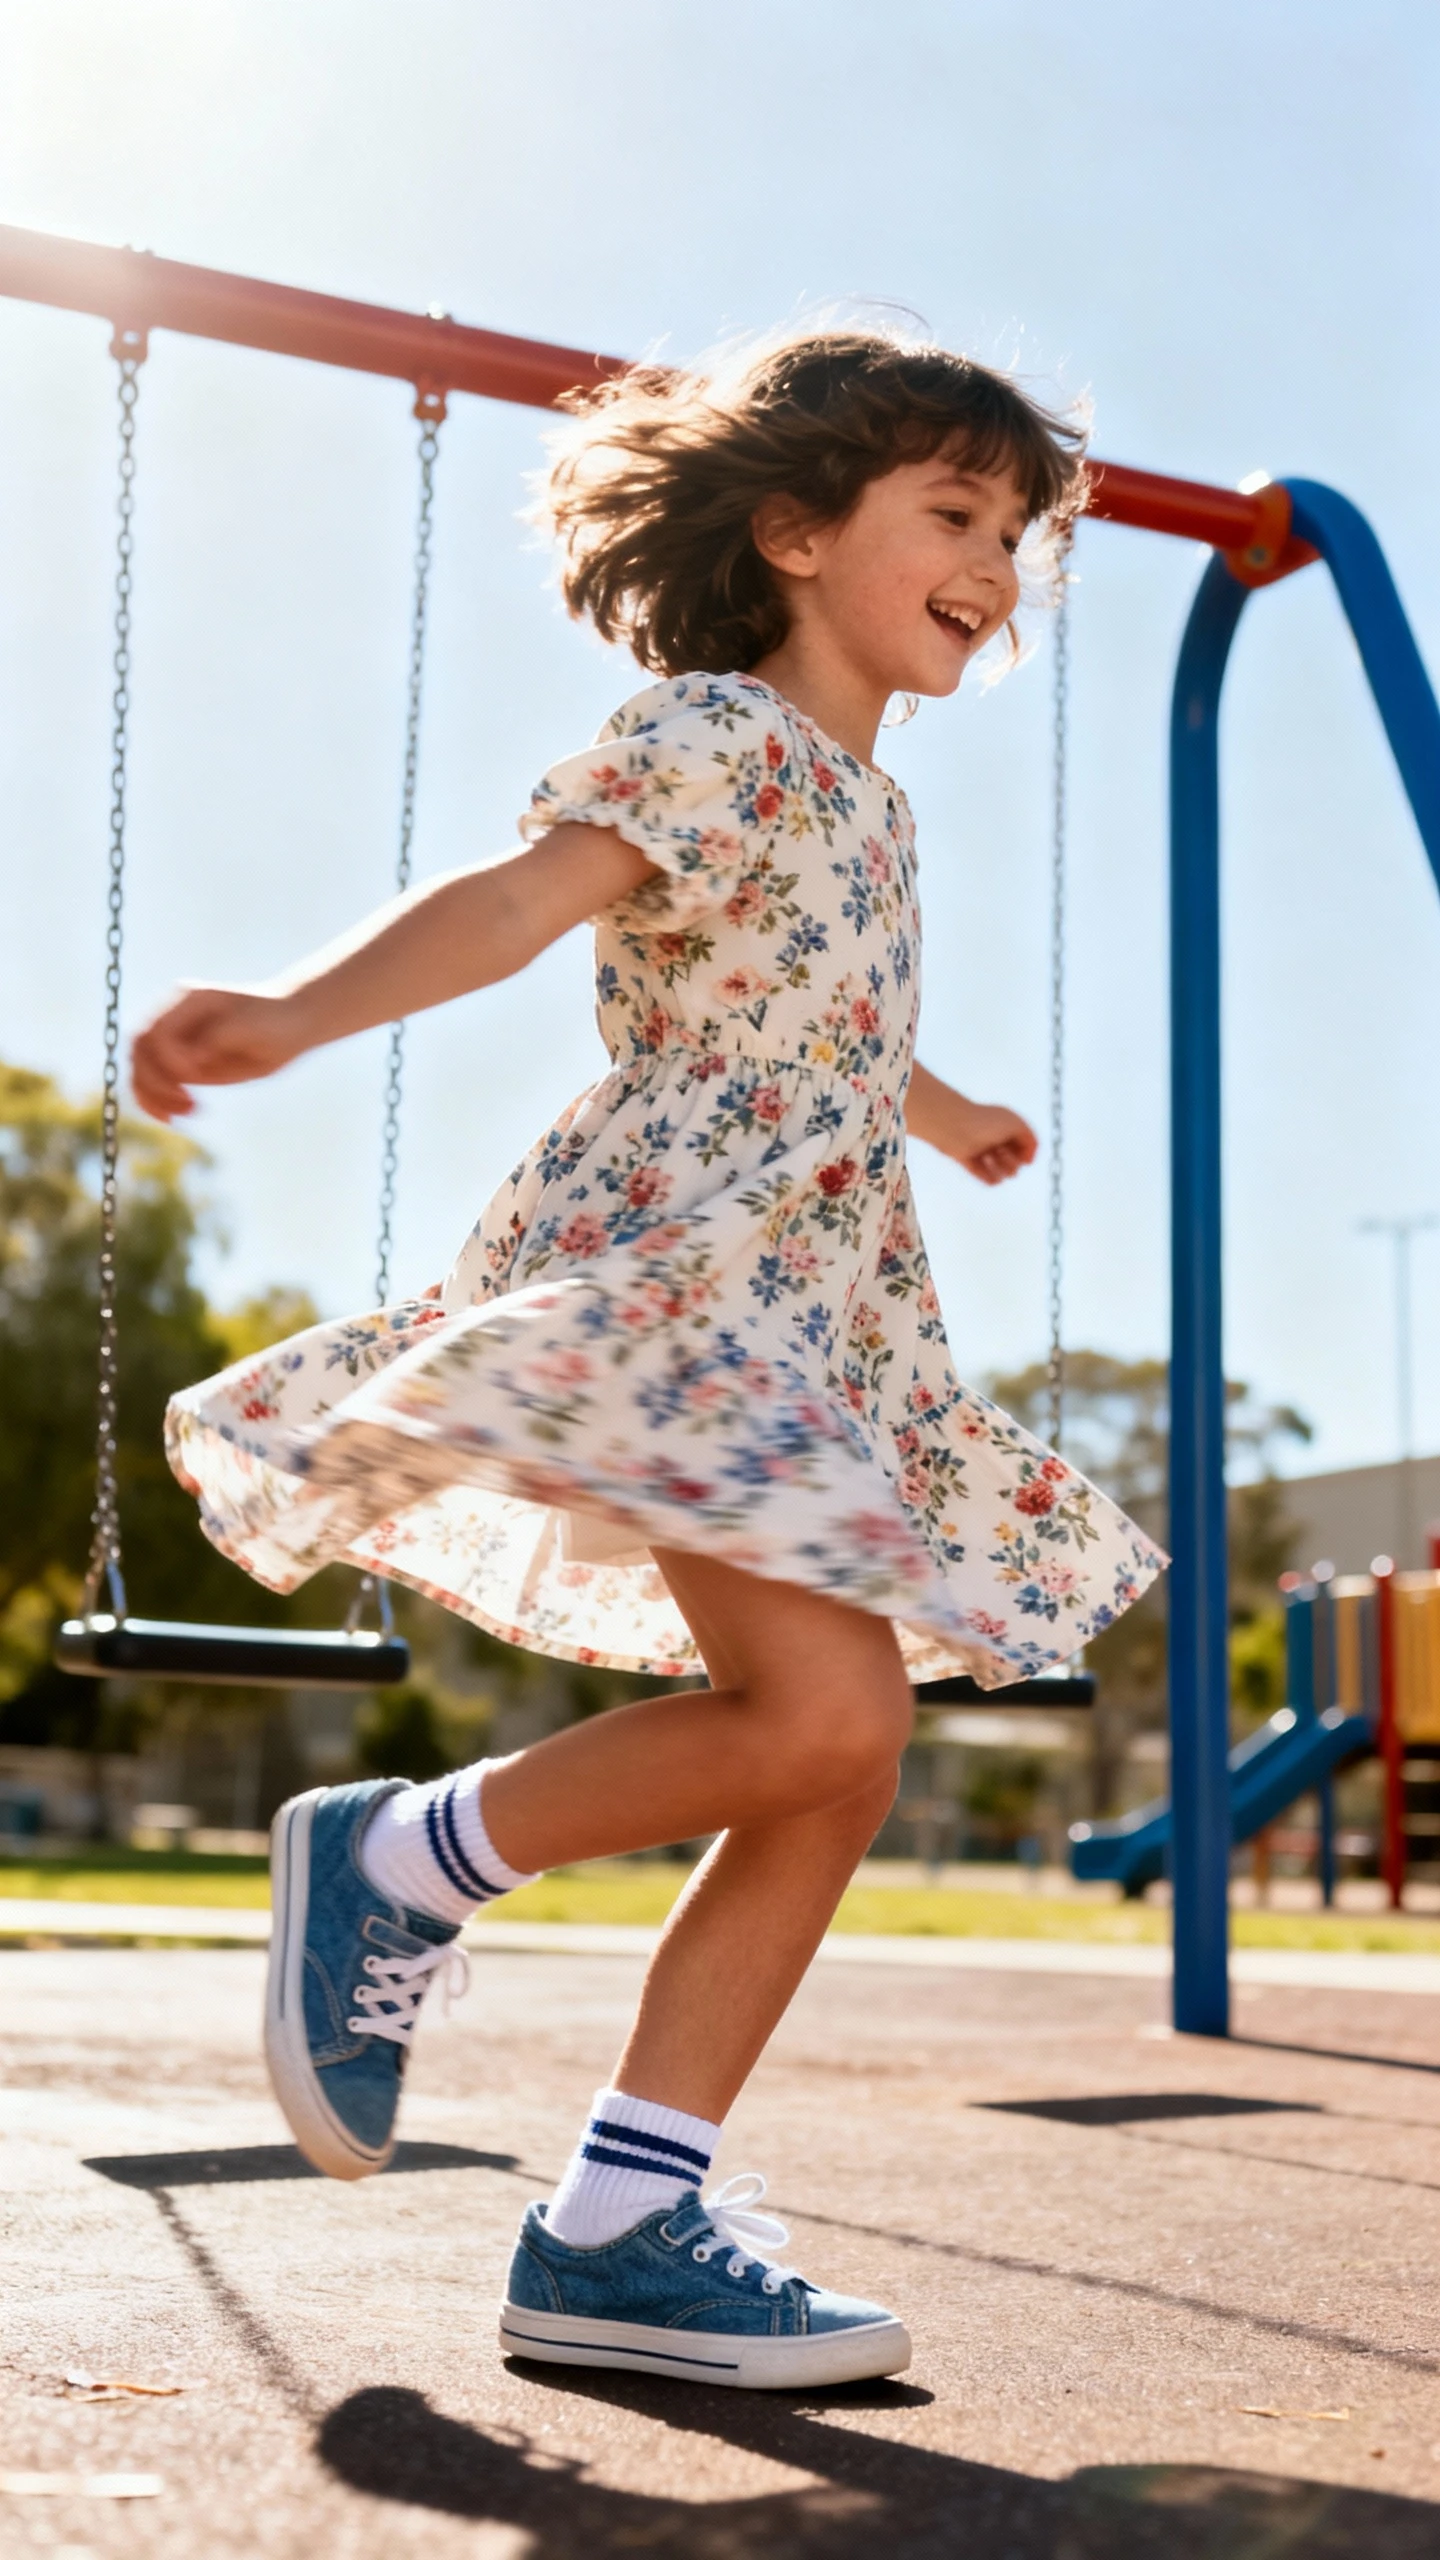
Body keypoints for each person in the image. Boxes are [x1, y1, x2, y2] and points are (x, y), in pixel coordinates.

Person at [131, 329, 1164, 2390]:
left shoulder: (870, 806)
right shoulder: (705, 732)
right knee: (824, 1706)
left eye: (1013, 535)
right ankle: (407, 1852)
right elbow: (520, 903)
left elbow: (827, 1015)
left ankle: (623, 2209)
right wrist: (300, 1015)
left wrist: (941, 1111)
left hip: (823, 1297)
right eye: (951, 517)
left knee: (838, 1747)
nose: (996, 562)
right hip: (692, 1284)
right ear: (792, 531)